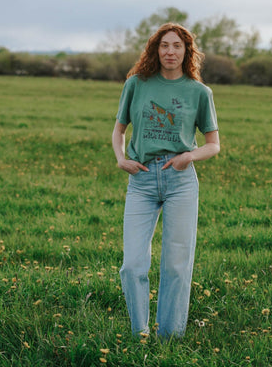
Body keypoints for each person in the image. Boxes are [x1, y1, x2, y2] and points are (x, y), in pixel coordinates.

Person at [112, 22, 220, 339]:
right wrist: (121, 159)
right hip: (142, 180)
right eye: (164, 45)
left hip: (180, 179)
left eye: (177, 46)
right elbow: (119, 130)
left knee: (176, 265)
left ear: (186, 52)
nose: (170, 51)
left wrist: (190, 156)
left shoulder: (199, 92)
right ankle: (140, 334)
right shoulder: (136, 84)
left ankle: (169, 338)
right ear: (155, 50)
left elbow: (214, 144)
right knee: (132, 265)